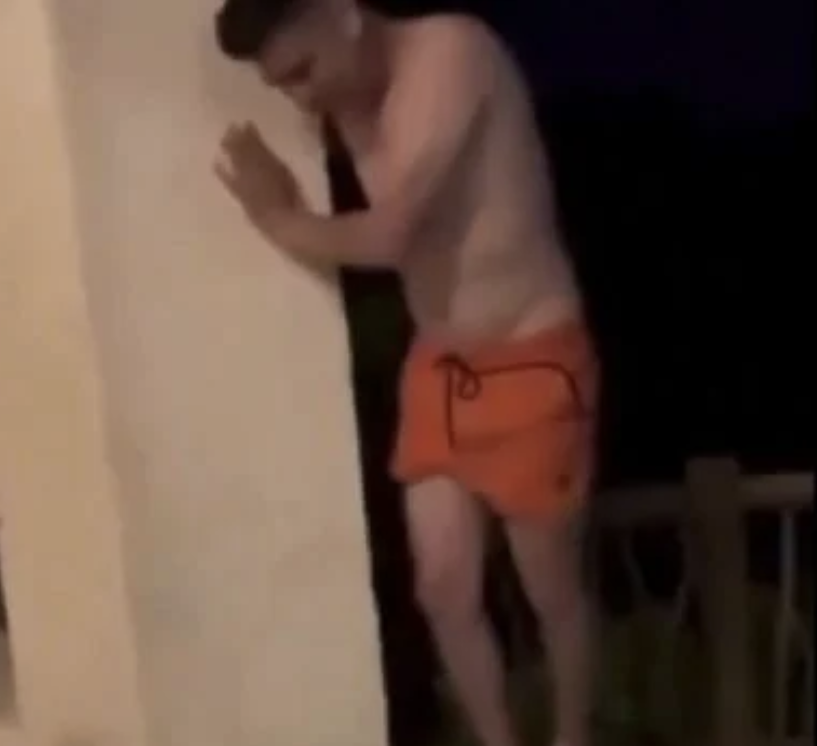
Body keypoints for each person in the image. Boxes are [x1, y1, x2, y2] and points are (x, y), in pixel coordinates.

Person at [213, 2, 599, 745]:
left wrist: (278, 218)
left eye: (302, 71)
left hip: (530, 353)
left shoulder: (452, 53)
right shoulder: (348, 99)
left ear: (343, 16)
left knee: (550, 586)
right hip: (440, 364)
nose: (301, 98)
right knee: (443, 586)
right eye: (282, 85)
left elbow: (394, 233)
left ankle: (573, 736)